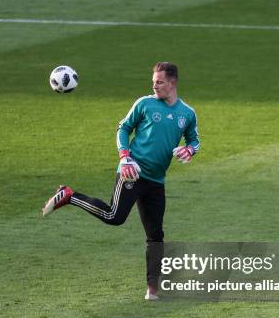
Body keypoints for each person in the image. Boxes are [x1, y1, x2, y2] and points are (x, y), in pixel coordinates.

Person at [42, 62, 200, 300]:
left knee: (156, 235)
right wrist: (125, 157)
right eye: (153, 81)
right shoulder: (144, 104)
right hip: (132, 173)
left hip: (157, 180)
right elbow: (123, 129)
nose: (154, 85)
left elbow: (194, 139)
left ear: (173, 83)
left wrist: (190, 149)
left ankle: (153, 289)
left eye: (159, 82)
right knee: (114, 216)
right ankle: (69, 195)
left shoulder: (187, 113)